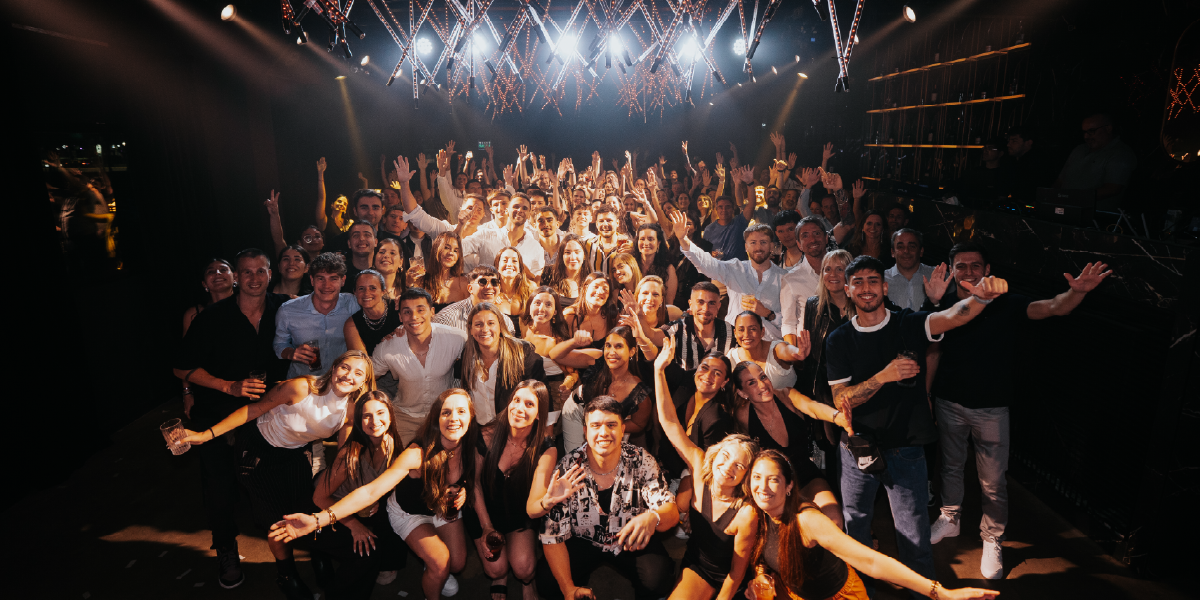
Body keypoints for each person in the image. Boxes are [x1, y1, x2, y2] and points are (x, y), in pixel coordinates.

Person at [824, 255, 1009, 595]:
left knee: (914, 537)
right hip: (857, 448)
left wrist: (981, 299)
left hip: (905, 448)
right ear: (847, 290)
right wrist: (883, 376)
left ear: (884, 287)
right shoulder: (839, 339)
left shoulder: (908, 323)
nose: (866, 288)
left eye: (872, 280)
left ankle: (922, 593)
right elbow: (840, 400)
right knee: (856, 528)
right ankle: (859, 592)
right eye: (858, 282)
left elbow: (953, 316)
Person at [926, 243, 1110, 579]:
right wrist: (935, 302)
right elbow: (927, 344)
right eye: (961, 265)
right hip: (949, 402)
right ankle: (950, 518)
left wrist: (1077, 292)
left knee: (993, 482)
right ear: (951, 270)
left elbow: (1053, 307)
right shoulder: (943, 301)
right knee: (950, 466)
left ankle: (992, 538)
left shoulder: (1007, 302)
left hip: (992, 409)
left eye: (975, 265)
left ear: (988, 269)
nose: (968, 271)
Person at [181, 351, 375, 599]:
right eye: (345, 367)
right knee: (276, 521)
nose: (349, 376)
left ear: (364, 382)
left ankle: (319, 555)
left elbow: (342, 455)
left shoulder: (351, 410)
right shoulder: (300, 388)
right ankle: (287, 573)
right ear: (334, 367)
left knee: (306, 509)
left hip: (295, 454)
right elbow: (252, 410)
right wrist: (204, 435)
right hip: (258, 451)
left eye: (358, 373)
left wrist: (359, 492)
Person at [270, 389, 480, 600]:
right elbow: (366, 492)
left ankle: (430, 564)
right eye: (446, 412)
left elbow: (469, 480)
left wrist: (463, 490)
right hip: (336, 506)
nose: (454, 418)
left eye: (461, 411)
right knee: (376, 554)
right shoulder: (396, 454)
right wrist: (323, 521)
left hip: (413, 506)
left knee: (454, 562)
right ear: (436, 418)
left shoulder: (393, 443)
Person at [174, 249, 290, 589]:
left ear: (270, 274)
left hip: (268, 414)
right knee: (220, 486)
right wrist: (228, 386)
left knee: (273, 483)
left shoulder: (285, 308)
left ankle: (287, 553)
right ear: (236, 277)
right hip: (217, 413)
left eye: (260, 271)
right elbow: (181, 367)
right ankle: (225, 548)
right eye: (247, 272)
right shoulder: (212, 317)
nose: (254, 278)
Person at [744, 451, 1000, 600]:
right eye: (757, 477)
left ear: (789, 486)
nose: (762, 487)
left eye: (773, 479)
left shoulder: (807, 521)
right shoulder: (757, 512)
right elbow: (767, 551)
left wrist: (939, 592)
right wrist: (761, 575)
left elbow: (872, 562)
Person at [531, 396, 680, 600]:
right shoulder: (568, 468)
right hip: (583, 540)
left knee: (658, 578)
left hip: (629, 538)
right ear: (585, 431)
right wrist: (568, 589)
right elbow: (552, 535)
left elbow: (671, 511)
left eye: (611, 425)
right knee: (548, 582)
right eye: (596, 425)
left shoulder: (641, 460)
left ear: (622, 429)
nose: (603, 433)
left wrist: (653, 517)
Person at [655, 338, 759, 600]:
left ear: (746, 475)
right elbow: (669, 422)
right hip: (699, 567)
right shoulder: (701, 464)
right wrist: (658, 370)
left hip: (733, 579)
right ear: (715, 454)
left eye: (739, 465)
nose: (727, 468)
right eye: (725, 456)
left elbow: (736, 573)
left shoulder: (746, 513)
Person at [309, 391, 408, 596]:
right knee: (367, 553)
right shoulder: (350, 454)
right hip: (325, 507)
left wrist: (379, 499)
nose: (374, 421)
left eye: (380, 413)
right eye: (366, 416)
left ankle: (387, 564)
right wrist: (354, 525)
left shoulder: (392, 443)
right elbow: (319, 498)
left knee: (397, 513)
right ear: (358, 421)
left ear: (391, 415)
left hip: (357, 505)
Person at [730, 359, 848, 526]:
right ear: (743, 393)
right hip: (775, 482)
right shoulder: (743, 415)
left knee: (834, 519)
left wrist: (837, 417)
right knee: (795, 527)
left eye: (763, 377)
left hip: (806, 475)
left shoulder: (786, 395)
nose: (762, 385)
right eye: (752, 383)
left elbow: (812, 407)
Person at [471, 381, 558, 600]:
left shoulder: (546, 448)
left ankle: (528, 582)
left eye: (529, 404)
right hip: (486, 511)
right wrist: (486, 526)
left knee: (524, 568)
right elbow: (474, 484)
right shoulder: (485, 436)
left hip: (519, 514)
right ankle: (500, 577)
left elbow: (534, 504)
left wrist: (548, 502)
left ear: (539, 414)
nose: (519, 408)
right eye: (516, 400)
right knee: (495, 569)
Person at [371, 287, 469, 445]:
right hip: (405, 418)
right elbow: (366, 376)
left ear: (432, 312)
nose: (414, 317)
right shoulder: (387, 348)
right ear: (400, 316)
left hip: (444, 417)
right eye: (407, 312)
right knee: (397, 458)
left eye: (420, 310)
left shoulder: (456, 339)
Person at [792, 251, 855, 493]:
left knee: (858, 447)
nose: (833, 274)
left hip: (858, 389)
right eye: (828, 269)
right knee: (833, 451)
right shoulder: (814, 305)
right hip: (826, 392)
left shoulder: (862, 303)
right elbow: (812, 358)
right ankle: (840, 503)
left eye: (840, 269)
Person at [672, 215, 787, 341]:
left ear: (771, 246)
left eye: (763, 242)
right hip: (735, 342)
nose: (758, 247)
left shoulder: (784, 278)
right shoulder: (735, 268)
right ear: (746, 247)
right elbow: (706, 263)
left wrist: (768, 314)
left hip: (771, 343)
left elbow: (791, 321)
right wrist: (683, 239)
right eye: (753, 243)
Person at [559, 326, 653, 450]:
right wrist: (574, 342)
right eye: (608, 346)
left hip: (610, 423)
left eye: (618, 346)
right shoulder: (597, 359)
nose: (611, 352)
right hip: (577, 411)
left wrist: (609, 425)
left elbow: (638, 424)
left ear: (631, 351)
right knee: (578, 456)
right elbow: (556, 355)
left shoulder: (638, 393)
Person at [274, 252, 360, 380]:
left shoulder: (353, 304)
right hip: (302, 382)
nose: (327, 285)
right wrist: (291, 353)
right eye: (320, 278)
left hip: (340, 382)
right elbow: (279, 344)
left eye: (333, 278)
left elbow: (378, 307)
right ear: (312, 280)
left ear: (343, 281)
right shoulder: (288, 310)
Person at [459, 302, 546, 428]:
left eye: (491, 323)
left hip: (513, 430)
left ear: (500, 326)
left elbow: (541, 395)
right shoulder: (467, 355)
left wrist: (547, 429)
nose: (485, 329)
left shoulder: (522, 352)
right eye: (478, 324)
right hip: (479, 431)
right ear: (470, 329)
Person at [648, 282, 735, 385]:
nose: (706, 309)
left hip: (719, 392)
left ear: (718, 306)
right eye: (700, 302)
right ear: (690, 304)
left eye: (711, 303)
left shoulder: (731, 332)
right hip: (684, 391)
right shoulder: (678, 328)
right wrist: (638, 317)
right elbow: (652, 335)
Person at [1055, 112, 1137, 211]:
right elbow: (1060, 181)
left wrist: (1072, 199)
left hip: (1094, 215)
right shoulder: (1079, 149)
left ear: (1108, 128)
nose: (1086, 136)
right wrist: (1050, 199)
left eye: (1091, 131)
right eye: (1084, 132)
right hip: (1064, 210)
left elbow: (1113, 188)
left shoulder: (1120, 153)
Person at [779, 218, 832, 341]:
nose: (812, 239)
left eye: (817, 233)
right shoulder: (791, 279)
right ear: (799, 245)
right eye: (805, 236)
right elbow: (788, 324)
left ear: (826, 238)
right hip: (809, 347)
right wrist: (795, 351)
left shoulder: (843, 271)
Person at [727, 312, 806, 390]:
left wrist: (797, 352)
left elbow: (786, 350)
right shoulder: (732, 357)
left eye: (753, 329)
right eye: (741, 330)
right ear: (735, 333)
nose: (746, 334)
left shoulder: (776, 348)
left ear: (762, 332)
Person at [434, 265, 518, 334]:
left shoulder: (506, 323)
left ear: (499, 288)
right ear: (470, 288)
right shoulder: (445, 319)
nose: (489, 287)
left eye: (494, 282)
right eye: (482, 282)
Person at [343, 270, 401, 356]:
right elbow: (361, 362)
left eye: (373, 288)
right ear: (355, 293)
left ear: (383, 291)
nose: (366, 293)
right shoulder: (352, 324)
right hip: (374, 365)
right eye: (361, 288)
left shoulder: (399, 307)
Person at [885, 229, 938, 311]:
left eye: (912, 246)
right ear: (893, 252)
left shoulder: (938, 276)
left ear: (921, 251)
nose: (906, 251)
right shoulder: (881, 279)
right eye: (900, 247)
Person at [183, 258, 236, 335]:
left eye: (223, 270)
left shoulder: (249, 307)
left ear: (235, 278)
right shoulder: (193, 314)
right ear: (204, 284)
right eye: (211, 272)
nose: (217, 273)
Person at [420, 232, 470, 312]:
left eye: (455, 251)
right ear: (436, 249)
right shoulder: (421, 281)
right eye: (446, 248)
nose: (451, 253)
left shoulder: (465, 283)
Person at [328, 190, 385, 257]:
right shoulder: (337, 242)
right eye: (364, 208)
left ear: (382, 211)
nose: (370, 213)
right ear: (355, 211)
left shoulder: (392, 241)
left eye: (375, 208)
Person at [634, 223, 679, 304]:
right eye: (642, 239)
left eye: (650, 239)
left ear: (658, 243)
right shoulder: (631, 264)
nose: (646, 243)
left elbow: (669, 303)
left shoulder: (668, 269)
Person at [495, 246, 536, 329]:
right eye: (505, 260)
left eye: (514, 261)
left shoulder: (531, 289)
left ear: (520, 268)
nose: (509, 264)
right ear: (497, 267)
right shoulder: (491, 292)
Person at [541, 234, 592, 299]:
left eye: (577, 252)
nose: (573, 257)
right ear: (561, 255)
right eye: (567, 252)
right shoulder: (549, 274)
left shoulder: (591, 281)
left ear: (584, 255)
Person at [702, 196, 749, 261]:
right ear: (716, 209)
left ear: (733, 209)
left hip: (739, 266)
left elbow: (751, 205)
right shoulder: (709, 229)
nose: (724, 210)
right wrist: (711, 254)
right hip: (718, 266)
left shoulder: (740, 222)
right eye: (720, 207)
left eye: (727, 207)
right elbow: (705, 252)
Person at [371, 237, 412, 302]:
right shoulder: (367, 290)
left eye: (392, 253)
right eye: (382, 252)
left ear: (400, 262)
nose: (386, 255)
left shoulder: (407, 291)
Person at [341, 222, 378, 292]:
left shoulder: (383, 271)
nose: (361, 238)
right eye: (356, 235)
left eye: (367, 235)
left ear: (375, 242)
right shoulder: (339, 272)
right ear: (349, 243)